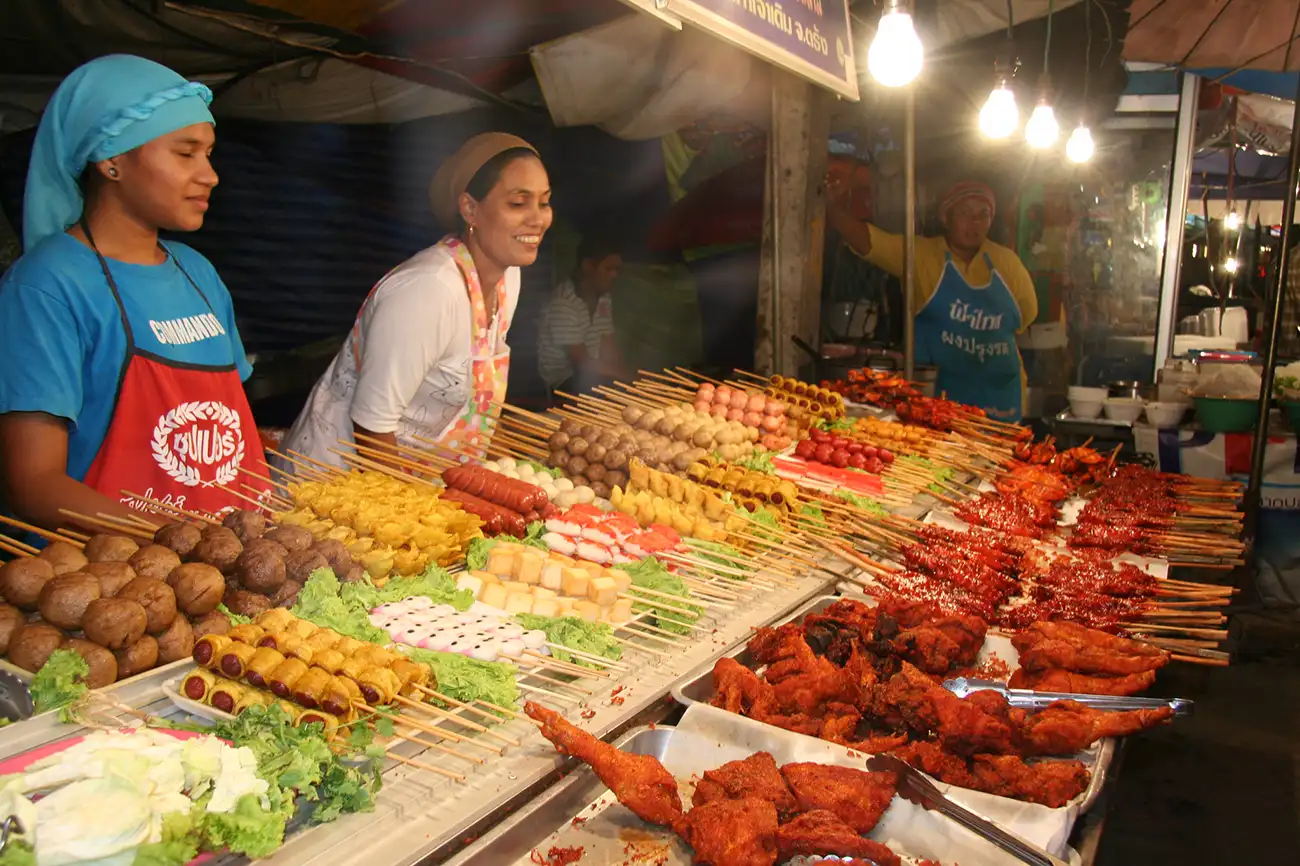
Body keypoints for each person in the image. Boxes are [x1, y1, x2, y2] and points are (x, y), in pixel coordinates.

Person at [0, 54, 267, 530]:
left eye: (208, 154)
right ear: (112, 160)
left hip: (237, 562)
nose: (209, 175)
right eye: (185, 153)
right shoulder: (47, 285)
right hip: (120, 577)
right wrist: (174, 539)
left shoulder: (197, 272)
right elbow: (32, 482)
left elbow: (222, 424)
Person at [279, 133, 552, 470]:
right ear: (470, 209)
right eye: (518, 203)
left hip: (418, 478)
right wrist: (413, 517)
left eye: (544, 201)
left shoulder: (509, 277)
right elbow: (371, 429)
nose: (538, 218)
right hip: (335, 484)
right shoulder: (428, 291)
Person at [827, 180, 1038, 421]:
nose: (975, 222)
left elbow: (1027, 315)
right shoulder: (921, 255)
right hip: (938, 397)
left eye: (984, 214)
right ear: (945, 218)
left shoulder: (1007, 262)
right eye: (965, 213)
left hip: (999, 398)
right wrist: (832, 208)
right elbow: (870, 243)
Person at [537, 236, 627, 397]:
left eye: (617, 270)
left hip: (592, 373)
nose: (614, 275)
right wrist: (622, 375)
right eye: (609, 269)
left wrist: (624, 377)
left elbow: (609, 347)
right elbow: (581, 362)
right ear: (587, 266)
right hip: (562, 381)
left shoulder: (604, 299)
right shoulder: (563, 303)